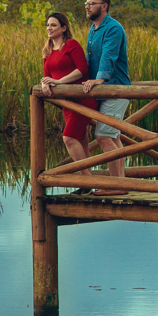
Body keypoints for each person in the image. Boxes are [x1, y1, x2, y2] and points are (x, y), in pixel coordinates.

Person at [39, 12, 99, 195]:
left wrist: (59, 82)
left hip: (82, 99)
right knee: (80, 139)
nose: (49, 28)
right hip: (67, 104)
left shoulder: (71, 45)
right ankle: (87, 184)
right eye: (48, 25)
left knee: (69, 138)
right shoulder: (47, 50)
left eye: (54, 25)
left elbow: (82, 70)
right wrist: (44, 83)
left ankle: (86, 180)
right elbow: (47, 74)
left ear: (64, 28)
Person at [81, 0, 132, 196]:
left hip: (116, 88)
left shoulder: (113, 28)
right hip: (105, 91)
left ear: (104, 6)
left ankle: (115, 186)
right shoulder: (93, 30)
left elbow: (109, 56)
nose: (87, 6)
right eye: (86, 3)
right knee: (114, 137)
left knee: (103, 136)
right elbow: (89, 58)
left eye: (92, 4)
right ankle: (120, 184)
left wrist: (99, 79)